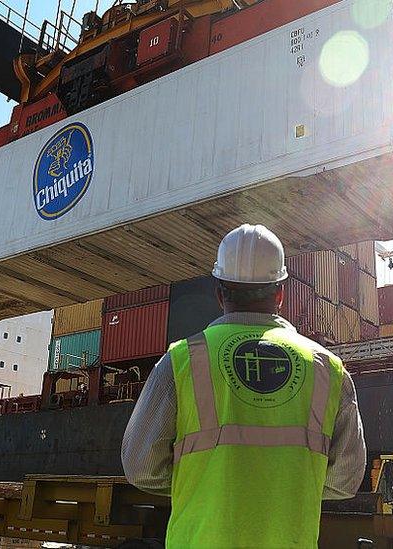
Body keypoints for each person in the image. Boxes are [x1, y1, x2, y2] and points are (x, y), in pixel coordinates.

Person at [122, 224, 366, 548]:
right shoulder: (328, 369)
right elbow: (346, 480)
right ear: (280, 293)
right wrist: (283, 484)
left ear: (219, 292)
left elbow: (140, 467)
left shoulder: (182, 361)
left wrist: (206, 480)